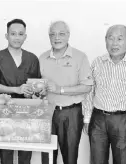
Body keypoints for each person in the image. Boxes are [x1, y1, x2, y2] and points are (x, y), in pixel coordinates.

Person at [84, 25, 126, 164]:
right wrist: (87, 119)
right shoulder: (97, 63)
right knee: (97, 161)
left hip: (124, 121)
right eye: (111, 38)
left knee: (124, 161)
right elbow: (90, 93)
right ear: (105, 40)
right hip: (98, 120)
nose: (114, 43)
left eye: (120, 39)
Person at [0, 18, 41, 164]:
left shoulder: (32, 58)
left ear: (25, 36)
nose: (17, 37)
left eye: (20, 34)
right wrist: (17, 89)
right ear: (6, 36)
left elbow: (35, 88)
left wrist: (31, 92)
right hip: (4, 111)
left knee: (25, 153)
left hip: (27, 112)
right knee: (6, 154)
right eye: (13, 34)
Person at [39, 21, 93, 164]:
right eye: (53, 34)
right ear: (49, 37)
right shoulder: (42, 58)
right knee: (47, 157)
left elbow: (87, 87)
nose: (57, 37)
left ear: (68, 35)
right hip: (47, 112)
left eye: (61, 34)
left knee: (70, 156)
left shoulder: (80, 57)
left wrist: (60, 89)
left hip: (72, 113)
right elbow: (38, 88)